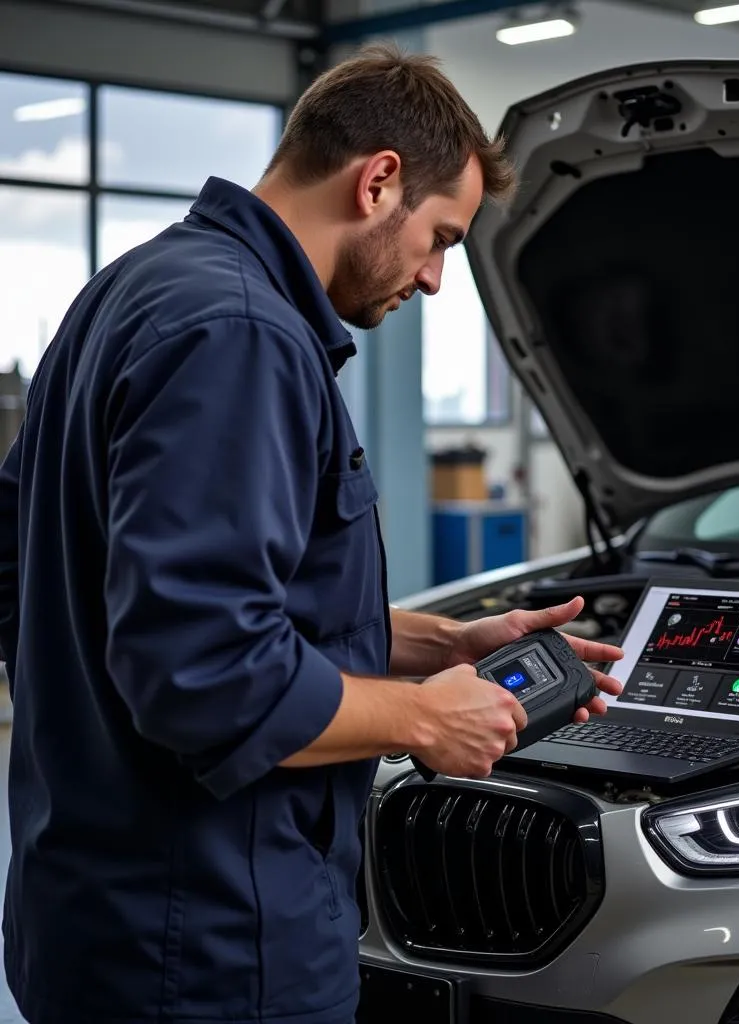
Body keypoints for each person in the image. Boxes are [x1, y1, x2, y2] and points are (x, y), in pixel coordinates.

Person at [0, 43, 624, 1024]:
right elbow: (204, 669)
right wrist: (425, 719)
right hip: (206, 946)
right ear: (378, 181)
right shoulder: (239, 333)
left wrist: (441, 646)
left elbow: (55, 571)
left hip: (92, 909)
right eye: (443, 239)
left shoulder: (131, 290)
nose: (432, 281)